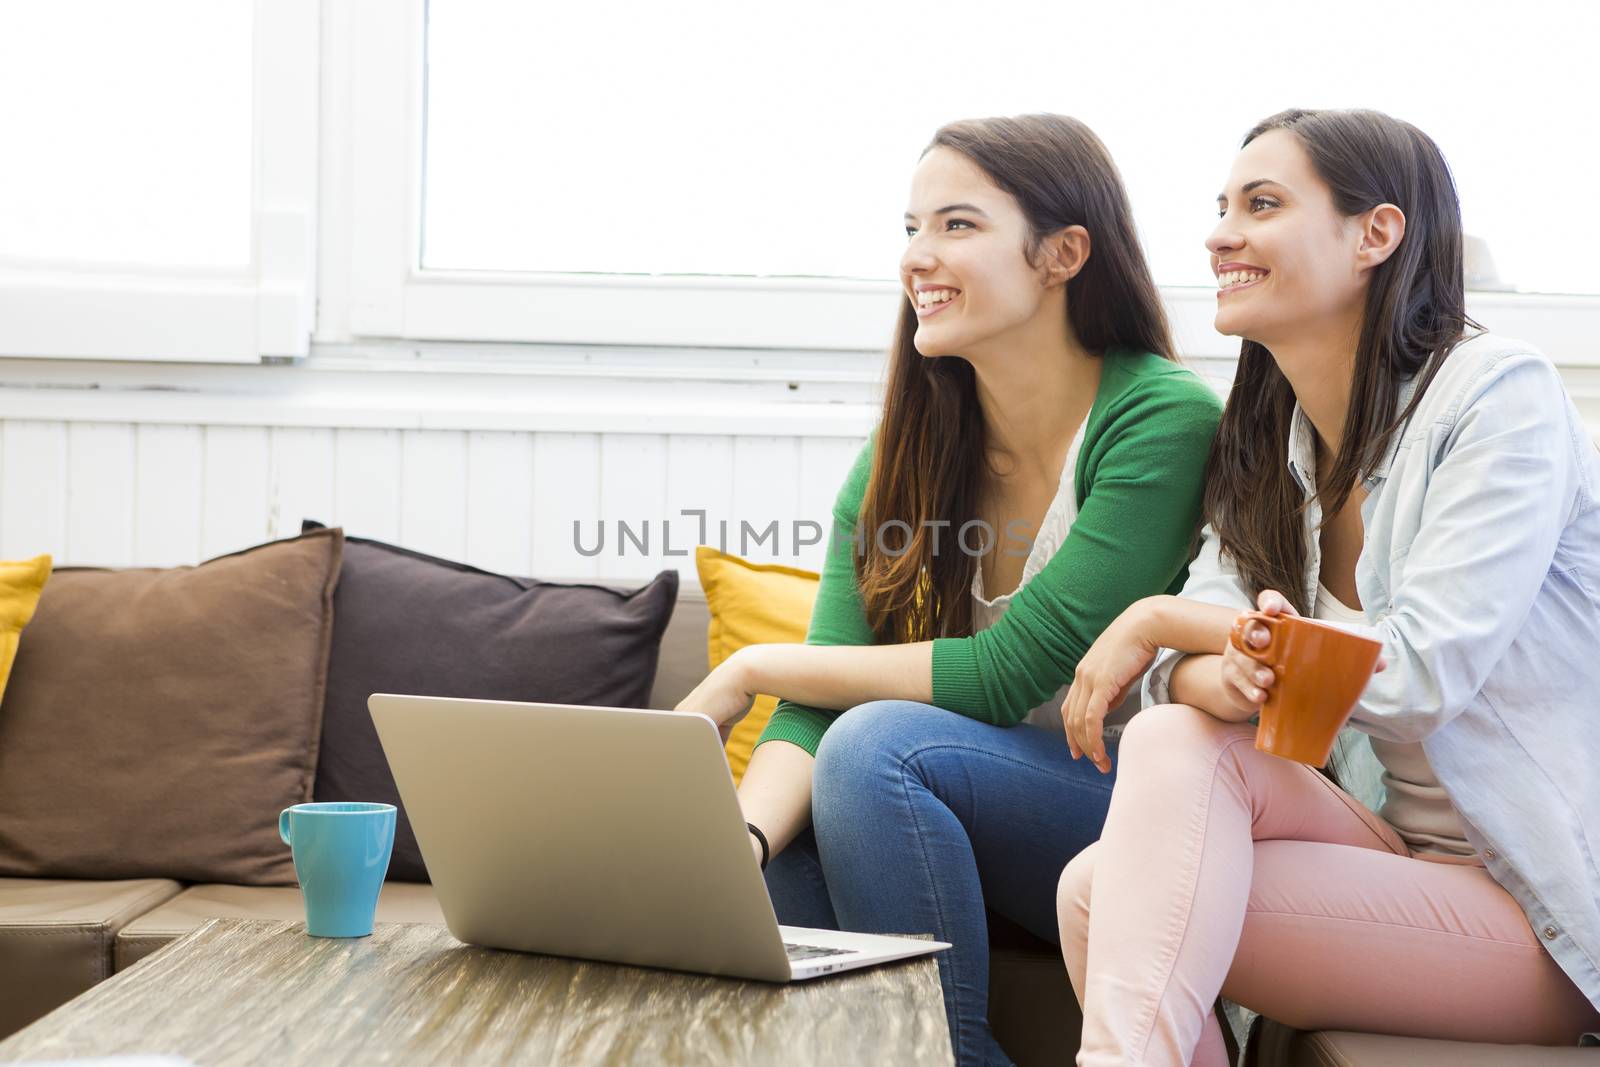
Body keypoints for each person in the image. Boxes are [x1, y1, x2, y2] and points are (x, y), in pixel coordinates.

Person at [673, 113, 1221, 1066]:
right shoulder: (906, 451)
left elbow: (1008, 675)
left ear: (1063, 254)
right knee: (763, 879)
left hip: (1132, 811)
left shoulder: (1159, 419)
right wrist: (744, 843)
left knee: (878, 742)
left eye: (957, 225)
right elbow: (814, 704)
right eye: (911, 227)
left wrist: (751, 663)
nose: (918, 257)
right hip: (955, 809)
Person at [1055, 107, 1600, 1066]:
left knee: (1110, 893)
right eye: (1221, 207)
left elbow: (1418, 676)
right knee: (1166, 759)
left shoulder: (1497, 396)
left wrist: (1161, 616)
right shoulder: (1281, 447)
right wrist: (1217, 670)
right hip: (1389, 851)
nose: (1221, 233)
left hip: (1541, 906)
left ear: (1375, 234)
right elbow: (1177, 674)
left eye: (1261, 204)